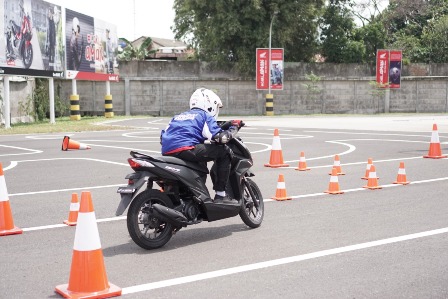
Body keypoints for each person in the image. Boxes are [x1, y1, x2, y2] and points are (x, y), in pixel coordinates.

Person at [160, 88, 243, 204]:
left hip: (168, 151)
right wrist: (234, 128)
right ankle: (221, 195)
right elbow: (221, 138)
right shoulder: (204, 116)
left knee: (200, 160)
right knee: (225, 152)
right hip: (187, 149)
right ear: (210, 105)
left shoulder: (177, 117)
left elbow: (163, 137)